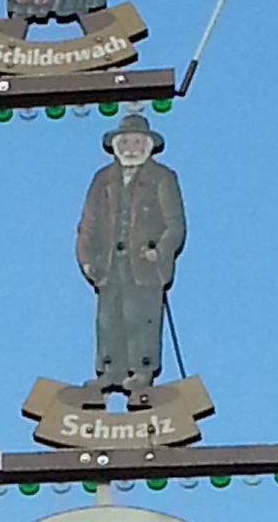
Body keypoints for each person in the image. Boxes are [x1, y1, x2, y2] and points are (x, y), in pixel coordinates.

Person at [75, 115, 186, 398]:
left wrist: (159, 251)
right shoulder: (103, 179)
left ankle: (141, 372)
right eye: (125, 142)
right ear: (115, 146)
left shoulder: (162, 178)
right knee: (108, 318)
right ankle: (109, 371)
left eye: (137, 142)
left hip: (145, 265)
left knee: (142, 317)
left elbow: (175, 225)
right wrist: (86, 259)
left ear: (148, 145)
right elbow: (88, 224)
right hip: (109, 264)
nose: (131, 149)